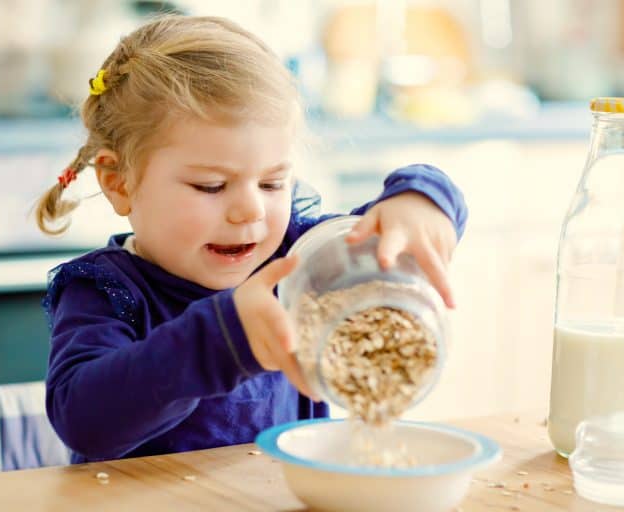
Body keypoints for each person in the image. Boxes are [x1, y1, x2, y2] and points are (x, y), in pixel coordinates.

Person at [35, 14, 467, 464]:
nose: (251, 211)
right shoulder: (106, 290)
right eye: (211, 186)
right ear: (119, 183)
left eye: (273, 184)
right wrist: (223, 339)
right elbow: (83, 422)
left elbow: (385, 233)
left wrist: (422, 199)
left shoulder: (298, 256)